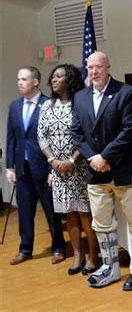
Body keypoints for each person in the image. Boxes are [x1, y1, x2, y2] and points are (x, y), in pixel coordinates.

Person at [71, 51, 132, 290]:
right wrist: (94, 158)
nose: (93, 72)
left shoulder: (126, 93)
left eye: (98, 67)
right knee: (101, 225)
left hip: (123, 172)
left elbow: (129, 130)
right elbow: (77, 133)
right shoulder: (80, 97)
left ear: (108, 68)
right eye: (90, 67)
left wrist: (106, 156)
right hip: (95, 173)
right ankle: (111, 268)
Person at [38, 64, 100, 275]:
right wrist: (53, 161)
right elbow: (42, 137)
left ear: (70, 80)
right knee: (69, 215)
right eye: (52, 77)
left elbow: (85, 135)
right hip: (58, 169)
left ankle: (93, 256)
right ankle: (77, 255)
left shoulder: (80, 102)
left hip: (79, 166)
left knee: (84, 213)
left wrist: (72, 161)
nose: (54, 80)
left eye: (58, 76)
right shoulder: (46, 106)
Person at [6, 66, 66, 265]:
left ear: (35, 81)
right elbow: (11, 138)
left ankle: (58, 247)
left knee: (51, 209)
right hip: (22, 168)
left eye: (24, 79)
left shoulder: (48, 105)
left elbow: (54, 138)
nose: (20, 83)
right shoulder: (14, 106)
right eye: (18, 79)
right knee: (25, 211)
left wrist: (52, 169)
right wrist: (10, 167)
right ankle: (25, 249)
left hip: (43, 166)